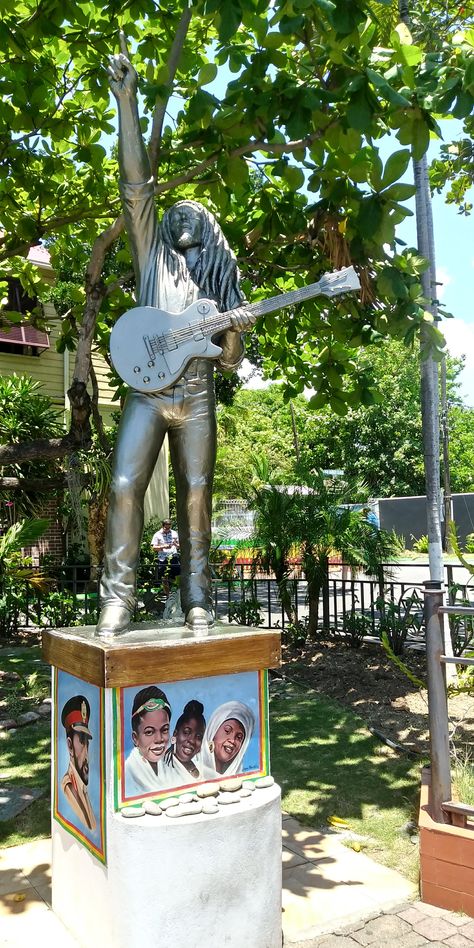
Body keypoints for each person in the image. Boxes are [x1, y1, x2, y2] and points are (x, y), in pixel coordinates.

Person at [97, 37, 254, 638]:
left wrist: (232, 334)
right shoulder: (150, 261)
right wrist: (127, 102)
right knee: (122, 484)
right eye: (175, 212)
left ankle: (197, 599)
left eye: (193, 213)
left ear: (209, 230)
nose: (181, 216)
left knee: (196, 493)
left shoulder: (221, 283)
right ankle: (117, 600)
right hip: (146, 391)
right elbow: (137, 186)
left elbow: (233, 359)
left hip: (197, 395)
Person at [125, 685, 171, 793]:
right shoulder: (128, 776)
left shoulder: (171, 767)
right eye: (149, 732)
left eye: (164, 730)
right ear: (135, 738)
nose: (159, 739)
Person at [60, 695, 96, 831]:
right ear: (70, 746)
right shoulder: (69, 786)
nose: (86, 752)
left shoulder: (81, 786)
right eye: (81, 741)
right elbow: (90, 828)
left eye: (87, 742)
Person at [201, 700, 255, 779]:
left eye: (239, 737)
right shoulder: (191, 772)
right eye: (227, 731)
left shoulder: (240, 777)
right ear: (213, 731)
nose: (232, 740)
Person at [161, 699, 205, 788]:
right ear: (175, 734)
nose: (192, 741)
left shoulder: (202, 766)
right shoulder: (162, 769)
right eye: (186, 732)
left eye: (199, 737)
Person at [151, 518, 180, 597]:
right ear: (162, 526)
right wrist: (163, 547)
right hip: (163, 558)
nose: (167, 529)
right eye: (166, 528)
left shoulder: (174, 533)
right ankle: (167, 595)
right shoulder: (157, 535)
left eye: (169, 528)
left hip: (173, 556)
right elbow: (153, 548)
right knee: (164, 577)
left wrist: (176, 544)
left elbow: (179, 546)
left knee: (178, 575)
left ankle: (177, 593)